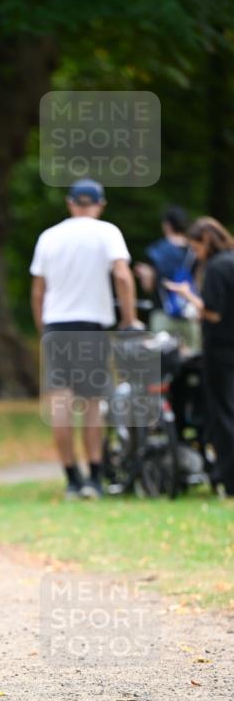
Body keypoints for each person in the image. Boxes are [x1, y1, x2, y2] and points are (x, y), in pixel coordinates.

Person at [30, 178, 141, 499]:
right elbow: (122, 275)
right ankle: (94, 477)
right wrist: (129, 319)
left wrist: (42, 329)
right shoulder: (107, 232)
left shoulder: (49, 236)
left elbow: (38, 291)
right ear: (100, 204)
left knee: (61, 403)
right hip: (90, 327)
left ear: (70, 202)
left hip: (56, 327)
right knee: (92, 404)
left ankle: (71, 479)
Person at [165, 217, 234, 496]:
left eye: (196, 247)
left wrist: (187, 295)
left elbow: (214, 313)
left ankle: (229, 478)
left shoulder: (217, 267)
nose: (196, 254)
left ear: (206, 240)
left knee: (223, 414)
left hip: (221, 350)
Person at [134, 206, 201, 351]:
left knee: (161, 359)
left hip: (162, 313)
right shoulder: (196, 250)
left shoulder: (157, 249)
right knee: (192, 358)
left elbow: (148, 286)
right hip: (191, 313)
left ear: (167, 225)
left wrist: (144, 274)